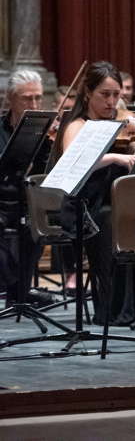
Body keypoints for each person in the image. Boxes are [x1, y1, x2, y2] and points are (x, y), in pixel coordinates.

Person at [52, 62, 135, 324]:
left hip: (112, 203)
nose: (112, 102)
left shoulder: (119, 124)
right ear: (88, 93)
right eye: (105, 94)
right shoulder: (76, 124)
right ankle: (112, 310)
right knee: (112, 221)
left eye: (116, 95)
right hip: (82, 206)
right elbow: (72, 159)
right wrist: (114, 157)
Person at [0, 69, 54, 308]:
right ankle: (13, 288)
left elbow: (47, 173)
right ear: (10, 98)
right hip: (2, 201)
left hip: (27, 201)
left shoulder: (43, 131)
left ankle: (19, 291)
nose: (34, 104)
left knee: (36, 220)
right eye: (27, 98)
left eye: (38, 98)